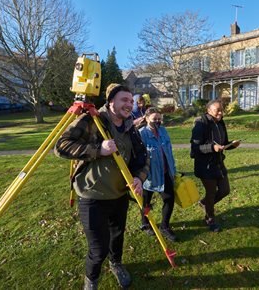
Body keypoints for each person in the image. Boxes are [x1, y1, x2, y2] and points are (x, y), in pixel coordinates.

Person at [54, 83, 149, 290]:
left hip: (120, 195)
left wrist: (139, 178)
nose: (129, 104)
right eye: (124, 100)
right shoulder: (93, 120)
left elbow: (143, 158)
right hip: (92, 196)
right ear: (111, 101)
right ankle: (91, 279)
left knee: (117, 237)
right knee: (98, 249)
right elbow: (60, 146)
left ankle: (116, 264)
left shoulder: (130, 127)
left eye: (131, 101)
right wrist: (98, 150)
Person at [190, 99, 240, 232]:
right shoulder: (201, 124)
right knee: (211, 193)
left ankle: (205, 203)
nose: (220, 112)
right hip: (205, 166)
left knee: (225, 190)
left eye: (222, 109)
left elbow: (223, 144)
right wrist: (212, 147)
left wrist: (232, 145)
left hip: (218, 163)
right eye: (217, 110)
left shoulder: (220, 123)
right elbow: (196, 148)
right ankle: (210, 218)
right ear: (209, 111)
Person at [138, 107, 177, 242]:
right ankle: (145, 223)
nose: (158, 121)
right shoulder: (141, 134)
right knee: (145, 202)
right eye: (154, 119)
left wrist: (173, 169)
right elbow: (138, 157)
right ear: (147, 118)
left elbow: (169, 151)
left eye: (159, 119)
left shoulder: (163, 131)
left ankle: (164, 226)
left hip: (165, 173)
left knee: (169, 199)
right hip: (149, 176)